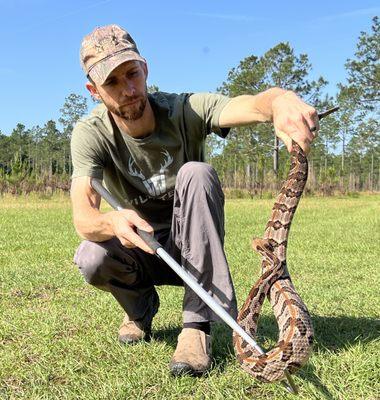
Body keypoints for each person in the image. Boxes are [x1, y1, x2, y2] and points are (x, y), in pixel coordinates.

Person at [70, 24, 319, 377]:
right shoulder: (90, 134)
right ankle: (139, 312)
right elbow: (83, 215)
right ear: (94, 90)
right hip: (144, 246)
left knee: (196, 172)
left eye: (132, 74)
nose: (128, 89)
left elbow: (245, 105)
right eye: (112, 82)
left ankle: (197, 326)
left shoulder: (184, 109)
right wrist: (111, 221)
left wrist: (279, 101)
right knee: (91, 255)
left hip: (193, 247)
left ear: (145, 69)